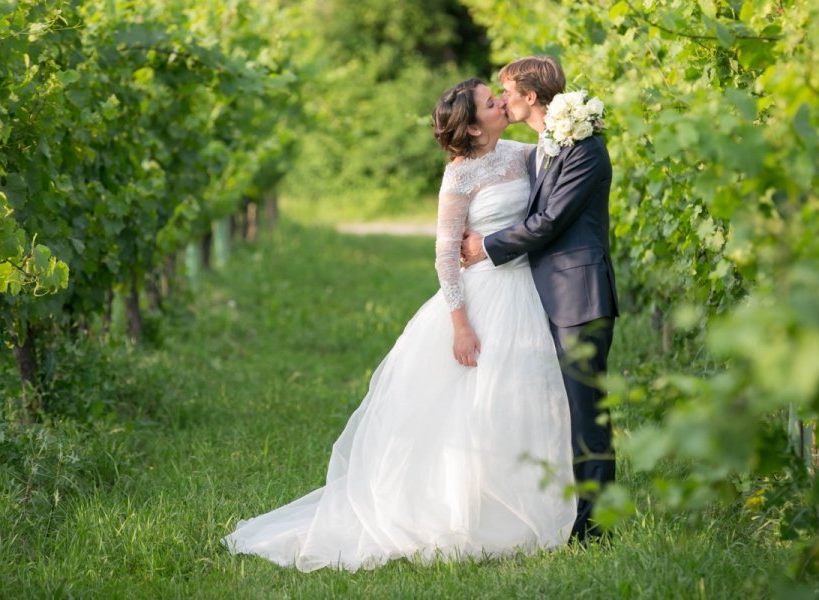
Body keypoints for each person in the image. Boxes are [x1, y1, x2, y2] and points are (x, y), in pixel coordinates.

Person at [222, 78, 577, 572]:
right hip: (481, 300)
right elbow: (444, 255)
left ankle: (521, 506)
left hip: (525, 294)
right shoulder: (459, 176)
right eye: (491, 103)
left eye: (498, 98)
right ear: (473, 127)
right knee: (471, 407)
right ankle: (464, 514)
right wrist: (459, 325)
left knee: (519, 398)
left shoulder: (522, 154)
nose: (502, 103)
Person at [462, 56, 620, 544]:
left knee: (585, 410)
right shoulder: (542, 147)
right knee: (556, 409)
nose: (502, 100)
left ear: (531, 97)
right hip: (543, 295)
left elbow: (549, 221)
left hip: (579, 295)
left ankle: (596, 528)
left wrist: (485, 248)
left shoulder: (586, 150)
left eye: (506, 92)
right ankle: (562, 511)